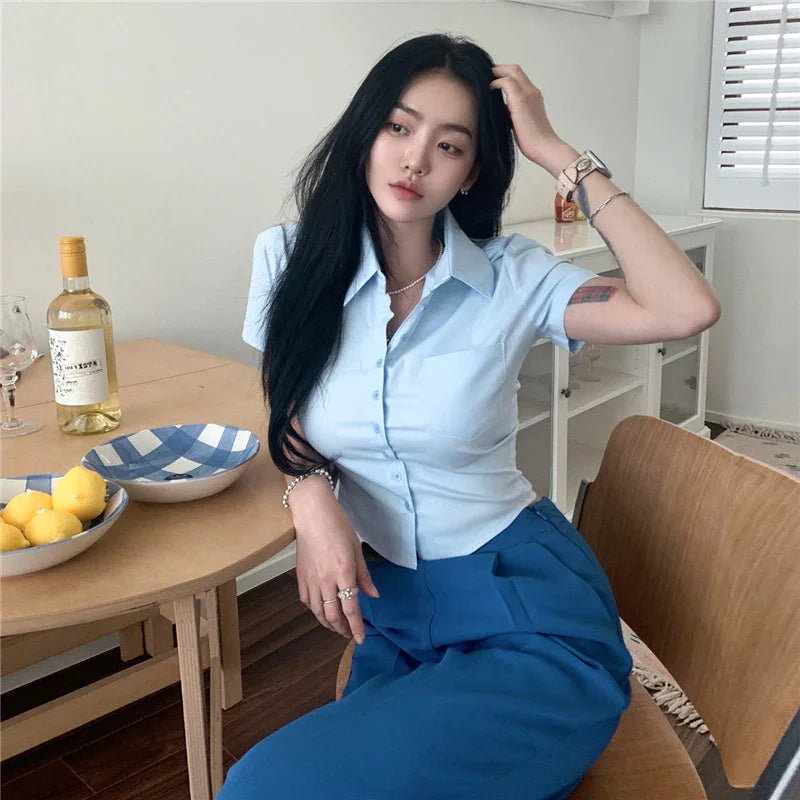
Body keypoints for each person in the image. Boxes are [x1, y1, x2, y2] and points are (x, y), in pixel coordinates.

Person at [218, 32, 721, 800]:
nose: (415, 159)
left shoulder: (515, 278)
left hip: (525, 606)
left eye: (449, 145)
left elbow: (686, 308)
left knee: (265, 786)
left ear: (472, 171)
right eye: (398, 127)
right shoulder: (287, 261)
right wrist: (310, 496)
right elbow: (285, 403)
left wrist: (558, 154)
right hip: (393, 611)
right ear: (366, 131)